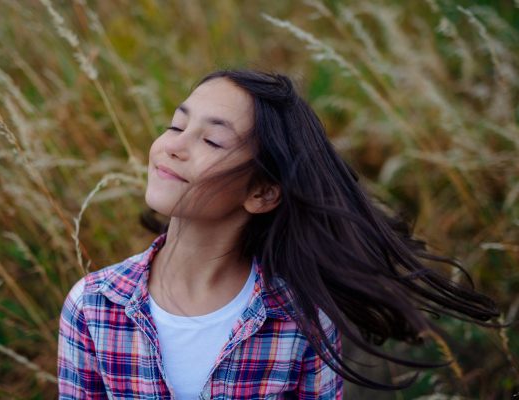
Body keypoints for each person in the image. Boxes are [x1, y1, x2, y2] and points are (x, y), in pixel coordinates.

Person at [57, 67, 502, 399]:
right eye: (176, 124)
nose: (173, 144)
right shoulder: (94, 305)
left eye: (211, 141)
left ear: (263, 192)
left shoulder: (301, 322)